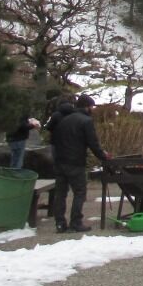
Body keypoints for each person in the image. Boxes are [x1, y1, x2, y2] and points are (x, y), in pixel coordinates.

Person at [50, 94, 109, 233]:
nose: (93, 109)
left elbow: (55, 139)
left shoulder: (64, 119)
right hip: (75, 162)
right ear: (87, 107)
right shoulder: (86, 121)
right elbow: (93, 143)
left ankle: (60, 223)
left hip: (60, 161)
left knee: (60, 193)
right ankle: (76, 222)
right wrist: (103, 156)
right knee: (80, 192)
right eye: (92, 107)